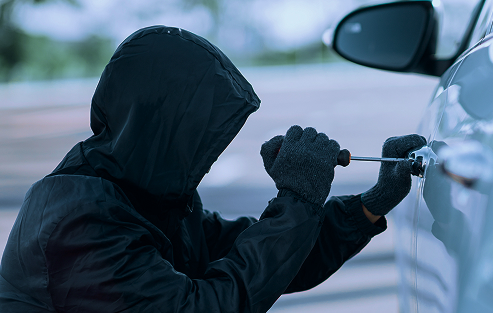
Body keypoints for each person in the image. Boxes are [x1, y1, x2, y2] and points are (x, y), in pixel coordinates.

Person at [0, 26, 426, 312]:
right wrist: (297, 199)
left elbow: (270, 265)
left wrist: (369, 205)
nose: (210, 154)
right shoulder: (77, 221)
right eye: (199, 136)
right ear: (156, 125)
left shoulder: (147, 195)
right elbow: (208, 305)